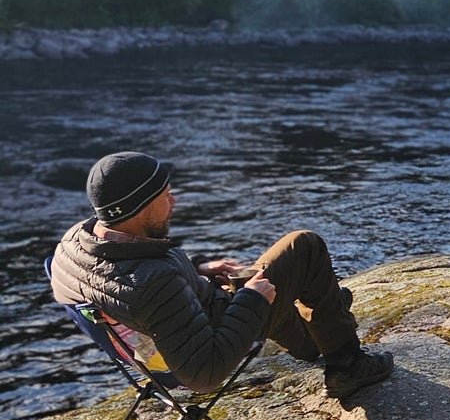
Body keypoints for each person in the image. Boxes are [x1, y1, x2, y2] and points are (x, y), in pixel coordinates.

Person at [50, 152, 393, 405]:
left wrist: (198, 268)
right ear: (140, 211)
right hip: (216, 333)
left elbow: (137, 282)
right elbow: (204, 374)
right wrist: (252, 300)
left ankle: (322, 321)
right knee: (304, 246)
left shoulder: (75, 246)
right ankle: (347, 365)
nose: (174, 201)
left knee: (302, 292)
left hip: (185, 321)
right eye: (164, 196)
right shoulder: (153, 284)